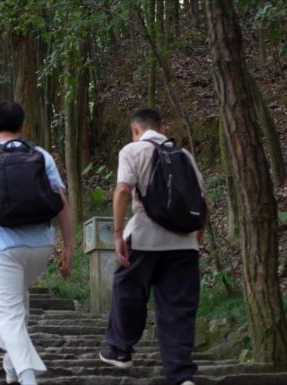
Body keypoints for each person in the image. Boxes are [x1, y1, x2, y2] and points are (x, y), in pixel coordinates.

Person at [0, 100, 74, 385]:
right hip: (41, 246)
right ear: (22, 126)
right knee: (17, 300)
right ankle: (12, 364)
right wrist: (69, 245)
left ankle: (27, 377)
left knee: (8, 312)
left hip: (3, 247)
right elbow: (61, 202)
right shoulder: (40, 155)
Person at [98, 108, 205, 385]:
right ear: (162, 127)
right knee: (178, 309)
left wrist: (119, 234)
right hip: (184, 245)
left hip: (145, 238)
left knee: (128, 290)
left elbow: (122, 190)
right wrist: (194, 241)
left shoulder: (133, 151)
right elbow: (202, 203)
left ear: (136, 129)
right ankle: (181, 376)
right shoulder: (185, 156)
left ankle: (120, 350)